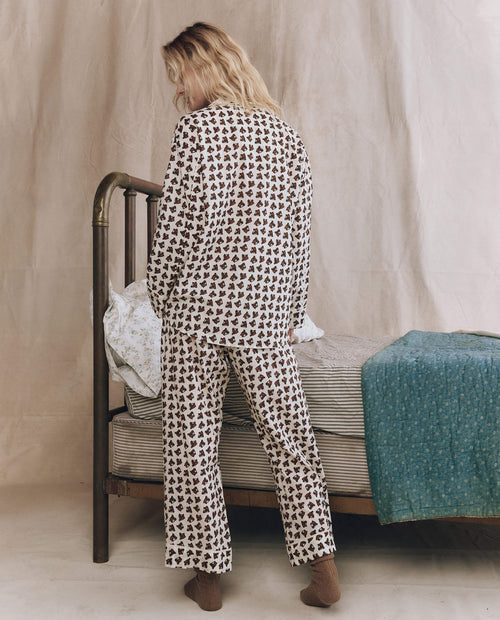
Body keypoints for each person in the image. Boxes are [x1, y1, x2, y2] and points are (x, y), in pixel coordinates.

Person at [146, 21, 341, 612]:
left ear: (207, 66)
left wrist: (159, 296)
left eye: (181, 76)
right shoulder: (286, 136)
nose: (179, 90)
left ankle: (206, 580)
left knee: (191, 443)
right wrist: (289, 310)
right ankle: (324, 572)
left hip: (197, 312)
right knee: (290, 440)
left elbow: (175, 229)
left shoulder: (196, 131)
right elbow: (299, 236)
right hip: (263, 316)